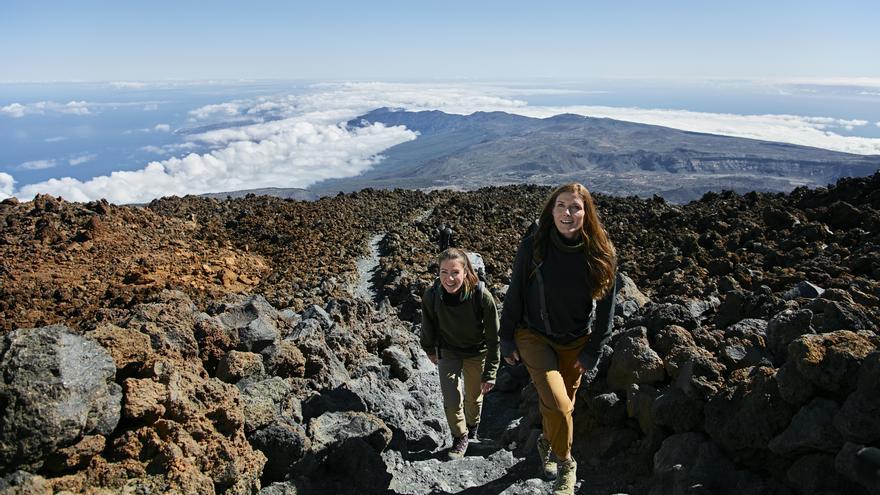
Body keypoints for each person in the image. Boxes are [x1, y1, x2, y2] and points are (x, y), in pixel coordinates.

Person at [499, 183, 617, 495]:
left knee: (561, 406)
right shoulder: (535, 246)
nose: (567, 212)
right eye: (561, 206)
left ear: (586, 213)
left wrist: (593, 350)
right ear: (551, 211)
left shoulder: (601, 253)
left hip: (576, 342)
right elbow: (515, 293)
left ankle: (546, 443)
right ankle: (567, 464)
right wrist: (506, 338)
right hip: (533, 336)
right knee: (560, 404)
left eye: (575, 207)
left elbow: (606, 311)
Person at [421, 247, 500, 459]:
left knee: (473, 398)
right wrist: (429, 350)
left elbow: (494, 337)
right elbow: (427, 324)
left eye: (455, 272)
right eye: (444, 272)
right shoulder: (432, 295)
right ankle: (460, 436)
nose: (449, 278)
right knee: (451, 398)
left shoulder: (481, 296)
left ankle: (472, 426)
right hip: (448, 350)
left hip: (476, 352)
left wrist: (491, 371)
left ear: (466, 272)